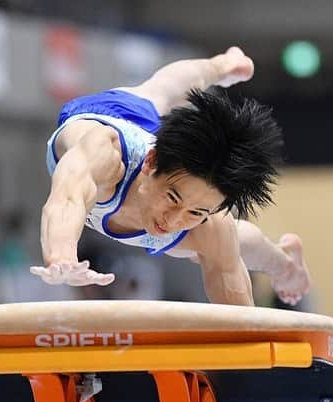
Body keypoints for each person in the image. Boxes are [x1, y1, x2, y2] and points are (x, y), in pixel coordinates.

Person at [31, 47, 311, 306]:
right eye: (173, 198)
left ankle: (285, 263)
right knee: (160, 91)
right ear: (151, 163)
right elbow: (66, 201)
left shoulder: (207, 219)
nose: (174, 220)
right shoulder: (104, 155)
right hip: (119, 114)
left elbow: (239, 318)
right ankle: (221, 65)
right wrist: (62, 258)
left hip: (174, 177)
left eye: (196, 211)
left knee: (224, 239)